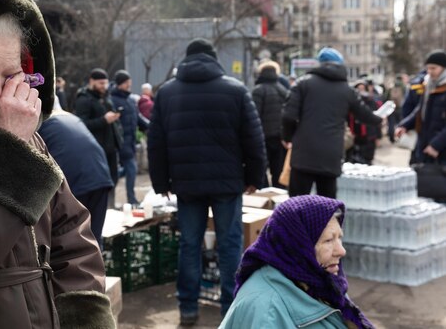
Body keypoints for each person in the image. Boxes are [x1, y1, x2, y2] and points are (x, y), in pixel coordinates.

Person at [0, 0, 115, 328]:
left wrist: (87, 318)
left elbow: (73, 237)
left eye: (10, 75)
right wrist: (8, 148)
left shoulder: (26, 136)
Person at [147, 38, 266, 325]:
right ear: (214, 59)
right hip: (227, 183)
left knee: (189, 244)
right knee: (230, 245)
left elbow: (156, 143)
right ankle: (231, 308)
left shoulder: (167, 93)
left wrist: (161, 181)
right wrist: (255, 177)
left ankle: (188, 308)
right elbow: (254, 139)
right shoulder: (235, 90)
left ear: (186, 60)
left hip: (186, 184)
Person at [219, 195, 374, 329]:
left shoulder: (317, 281)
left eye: (339, 237)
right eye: (328, 240)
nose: (341, 251)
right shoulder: (266, 313)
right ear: (296, 247)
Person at [282, 47, 382, 198]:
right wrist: (381, 117)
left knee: (297, 205)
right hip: (331, 155)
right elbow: (364, 116)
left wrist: (288, 138)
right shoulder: (347, 90)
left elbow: (288, 116)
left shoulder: (303, 83)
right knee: (327, 207)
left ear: (320, 64)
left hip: (303, 153)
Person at [39, 97, 114, 248]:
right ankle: (97, 270)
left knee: (70, 239)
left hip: (75, 181)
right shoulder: (71, 118)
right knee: (93, 237)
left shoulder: (40, 124)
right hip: (100, 177)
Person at [396, 50, 446, 165]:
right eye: (428, 68)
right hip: (425, 144)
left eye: (434, 68)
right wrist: (404, 125)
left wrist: (436, 145)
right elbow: (421, 110)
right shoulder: (428, 85)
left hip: (440, 149)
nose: (430, 72)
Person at [74, 68, 123, 186]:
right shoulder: (83, 99)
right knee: (101, 183)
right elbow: (81, 125)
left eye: (105, 83)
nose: (104, 86)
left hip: (111, 147)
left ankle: (111, 204)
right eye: (101, 83)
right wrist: (103, 120)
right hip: (95, 149)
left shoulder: (106, 96)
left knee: (113, 180)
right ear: (92, 81)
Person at [111, 70, 149, 205]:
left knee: (127, 171)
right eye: (126, 82)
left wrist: (151, 126)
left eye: (129, 82)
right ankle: (127, 200)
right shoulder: (112, 100)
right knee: (129, 170)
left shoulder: (131, 100)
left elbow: (138, 118)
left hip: (130, 143)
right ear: (120, 84)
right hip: (119, 143)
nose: (129, 85)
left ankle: (130, 200)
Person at [251, 60, 289, 188]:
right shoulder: (284, 90)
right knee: (278, 171)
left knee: (262, 170)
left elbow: (254, 115)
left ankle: (265, 198)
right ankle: (279, 201)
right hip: (280, 138)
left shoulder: (258, 90)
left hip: (263, 137)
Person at [346, 79, 382, 165]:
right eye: (358, 88)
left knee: (367, 160)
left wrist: (378, 136)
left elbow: (375, 120)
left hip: (369, 136)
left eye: (363, 88)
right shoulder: (351, 102)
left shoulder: (371, 102)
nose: (361, 91)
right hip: (355, 136)